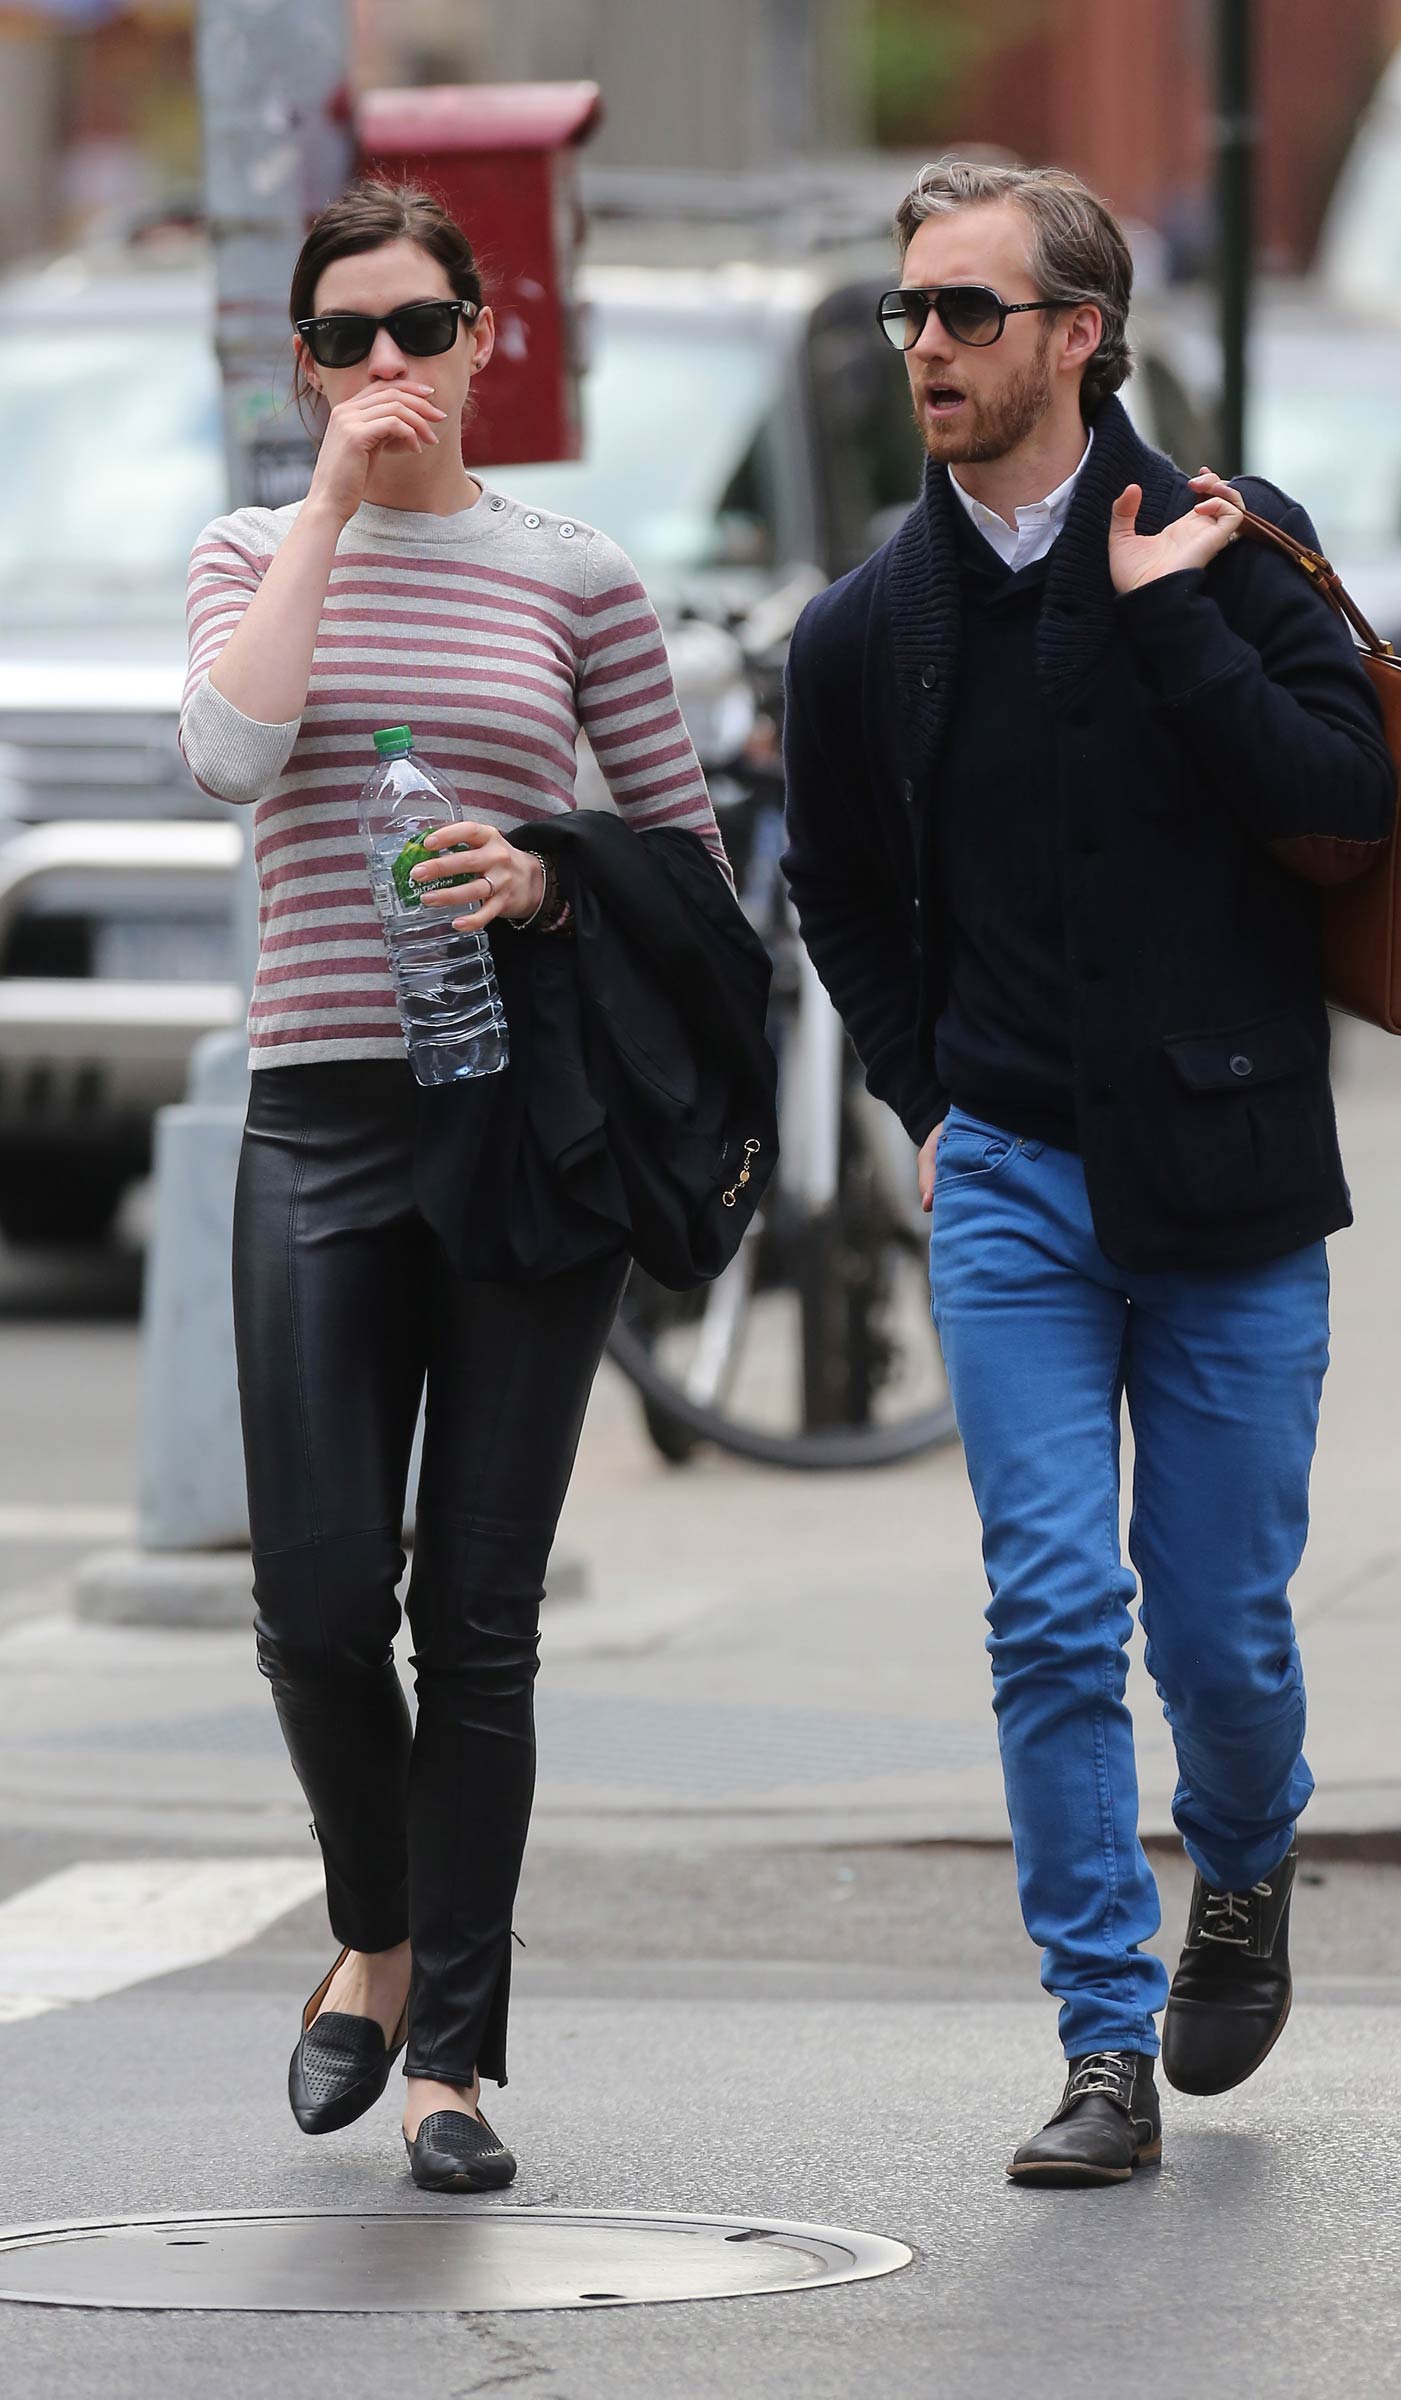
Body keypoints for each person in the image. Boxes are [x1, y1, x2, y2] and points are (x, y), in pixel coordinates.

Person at [781, 160, 1394, 2187]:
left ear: (1078, 333)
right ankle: (1099, 2039)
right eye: (907, 317)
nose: (926, 349)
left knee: (1217, 1631)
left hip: (1227, 1183)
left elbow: (1343, 804)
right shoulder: (866, 628)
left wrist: (1174, 632)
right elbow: (845, 906)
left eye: (964, 312)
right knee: (1050, 1608)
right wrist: (921, 1105)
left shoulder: (1227, 550)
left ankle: (1243, 1856)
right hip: (1018, 1185)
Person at [179, 179, 728, 2194]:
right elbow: (235, 763)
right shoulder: (251, 551)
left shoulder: (573, 577)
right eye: (343, 341)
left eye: (415, 332)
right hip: (320, 1119)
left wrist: (546, 870)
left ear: (484, 337)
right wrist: (329, 504)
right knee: (321, 1603)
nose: (384, 371)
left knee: (475, 1618)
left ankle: (454, 2069)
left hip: (520, 1130)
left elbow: (685, 873)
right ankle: (378, 1928)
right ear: (303, 364)